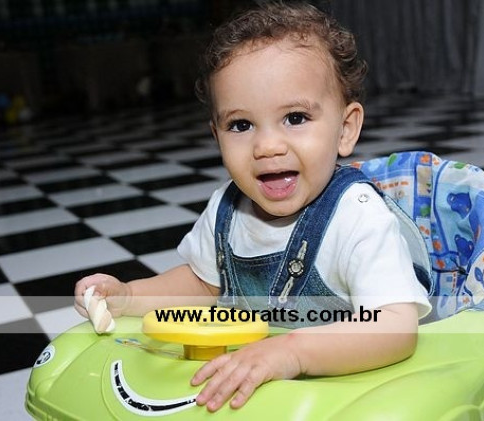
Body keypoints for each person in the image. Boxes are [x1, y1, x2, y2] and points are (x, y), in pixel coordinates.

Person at [74, 1, 431, 413]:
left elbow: (395, 326)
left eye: (295, 118)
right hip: (261, 395)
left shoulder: (357, 216)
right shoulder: (227, 210)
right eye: (241, 125)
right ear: (217, 136)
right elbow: (202, 287)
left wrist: (291, 352)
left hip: (346, 394)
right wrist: (128, 297)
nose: (267, 146)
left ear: (345, 129)